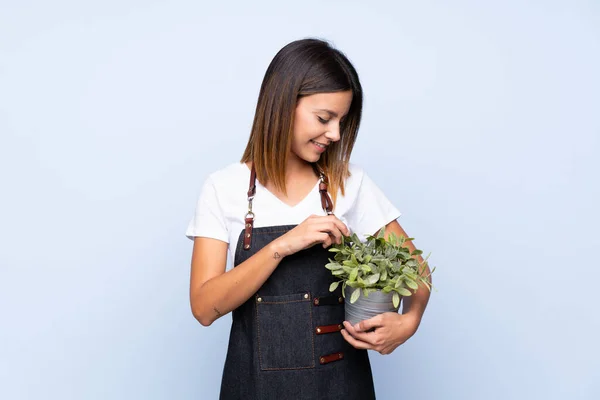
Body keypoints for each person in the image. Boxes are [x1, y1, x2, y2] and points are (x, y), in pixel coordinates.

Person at [185, 38, 431, 400]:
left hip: (342, 388)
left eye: (341, 122)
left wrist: (409, 321)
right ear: (283, 104)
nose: (334, 134)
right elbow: (205, 308)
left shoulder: (349, 184)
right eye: (323, 118)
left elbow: (417, 270)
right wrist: (282, 246)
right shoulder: (223, 188)